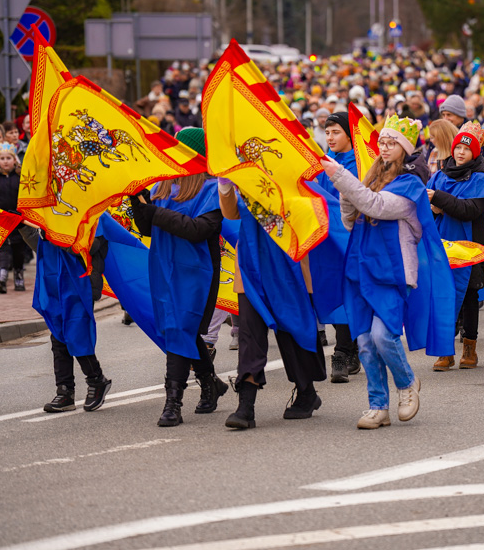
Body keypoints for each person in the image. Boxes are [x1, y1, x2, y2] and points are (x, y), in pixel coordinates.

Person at [319, 114, 455, 429]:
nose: (384, 147)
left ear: (405, 148)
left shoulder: (411, 184)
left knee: (383, 335)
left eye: (391, 142)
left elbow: (377, 206)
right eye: (382, 141)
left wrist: (340, 176)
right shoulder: (371, 176)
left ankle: (407, 384)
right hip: (362, 269)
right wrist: (347, 194)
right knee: (365, 341)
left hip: (394, 273)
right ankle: (377, 406)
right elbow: (351, 220)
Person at [129, 127, 228, 426]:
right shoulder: (161, 187)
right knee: (179, 329)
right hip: (163, 268)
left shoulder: (213, 189)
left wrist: (155, 213)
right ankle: (211, 383)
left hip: (196, 274)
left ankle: (173, 402)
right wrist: (137, 199)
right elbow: (147, 228)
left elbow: (198, 229)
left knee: (178, 329)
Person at [217, 179, 327, 430]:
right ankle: (246, 406)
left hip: (288, 266)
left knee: (292, 332)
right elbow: (233, 213)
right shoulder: (244, 171)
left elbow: (308, 212)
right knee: (249, 335)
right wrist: (225, 187)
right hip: (251, 268)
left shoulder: (288, 166)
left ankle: (306, 391)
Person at [426, 122, 484, 370]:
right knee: (443, 295)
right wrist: (433, 209)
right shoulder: (438, 176)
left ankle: (469, 349)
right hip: (442, 245)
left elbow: (470, 210)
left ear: (475, 153)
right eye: (458, 147)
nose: (461, 152)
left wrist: (440, 201)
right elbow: (424, 209)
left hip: (471, 245)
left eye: (467, 148)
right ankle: (445, 351)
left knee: (470, 295)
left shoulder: (480, 179)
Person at [36, 231, 112, 414]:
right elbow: (41, 248)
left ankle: (96, 380)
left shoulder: (93, 210)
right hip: (55, 283)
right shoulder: (50, 212)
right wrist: (24, 229)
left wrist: (54, 235)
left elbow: (89, 246)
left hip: (81, 282)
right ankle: (64, 392)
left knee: (76, 334)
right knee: (58, 335)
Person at [315, 111, 362, 383]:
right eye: (327, 132)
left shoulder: (363, 163)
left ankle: (345, 351)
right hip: (329, 240)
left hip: (356, 238)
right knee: (334, 292)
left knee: (352, 293)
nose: (330, 137)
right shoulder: (323, 164)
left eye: (336, 132)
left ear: (349, 134)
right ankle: (347, 350)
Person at [0, 142, 27, 293]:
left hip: (18, 222)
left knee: (18, 251)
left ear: (15, 160)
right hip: (1, 222)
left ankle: (18, 276)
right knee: (3, 249)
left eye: (9, 158)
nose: (6, 161)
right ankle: (1, 278)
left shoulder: (20, 178)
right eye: (2, 158)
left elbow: (26, 198)